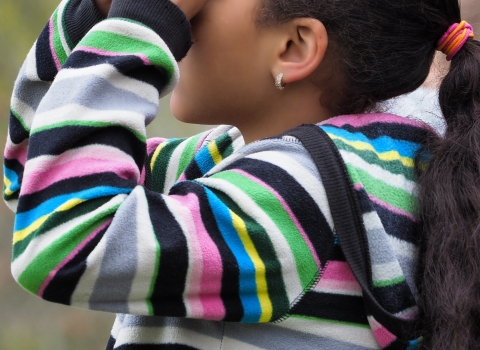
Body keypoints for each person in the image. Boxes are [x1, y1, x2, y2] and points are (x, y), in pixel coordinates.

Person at [3, 0, 479, 348]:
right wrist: (97, 13)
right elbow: (39, 182)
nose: (187, 11)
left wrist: (145, 23)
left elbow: (64, 238)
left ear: (294, 47)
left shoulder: (302, 192)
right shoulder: (278, 160)